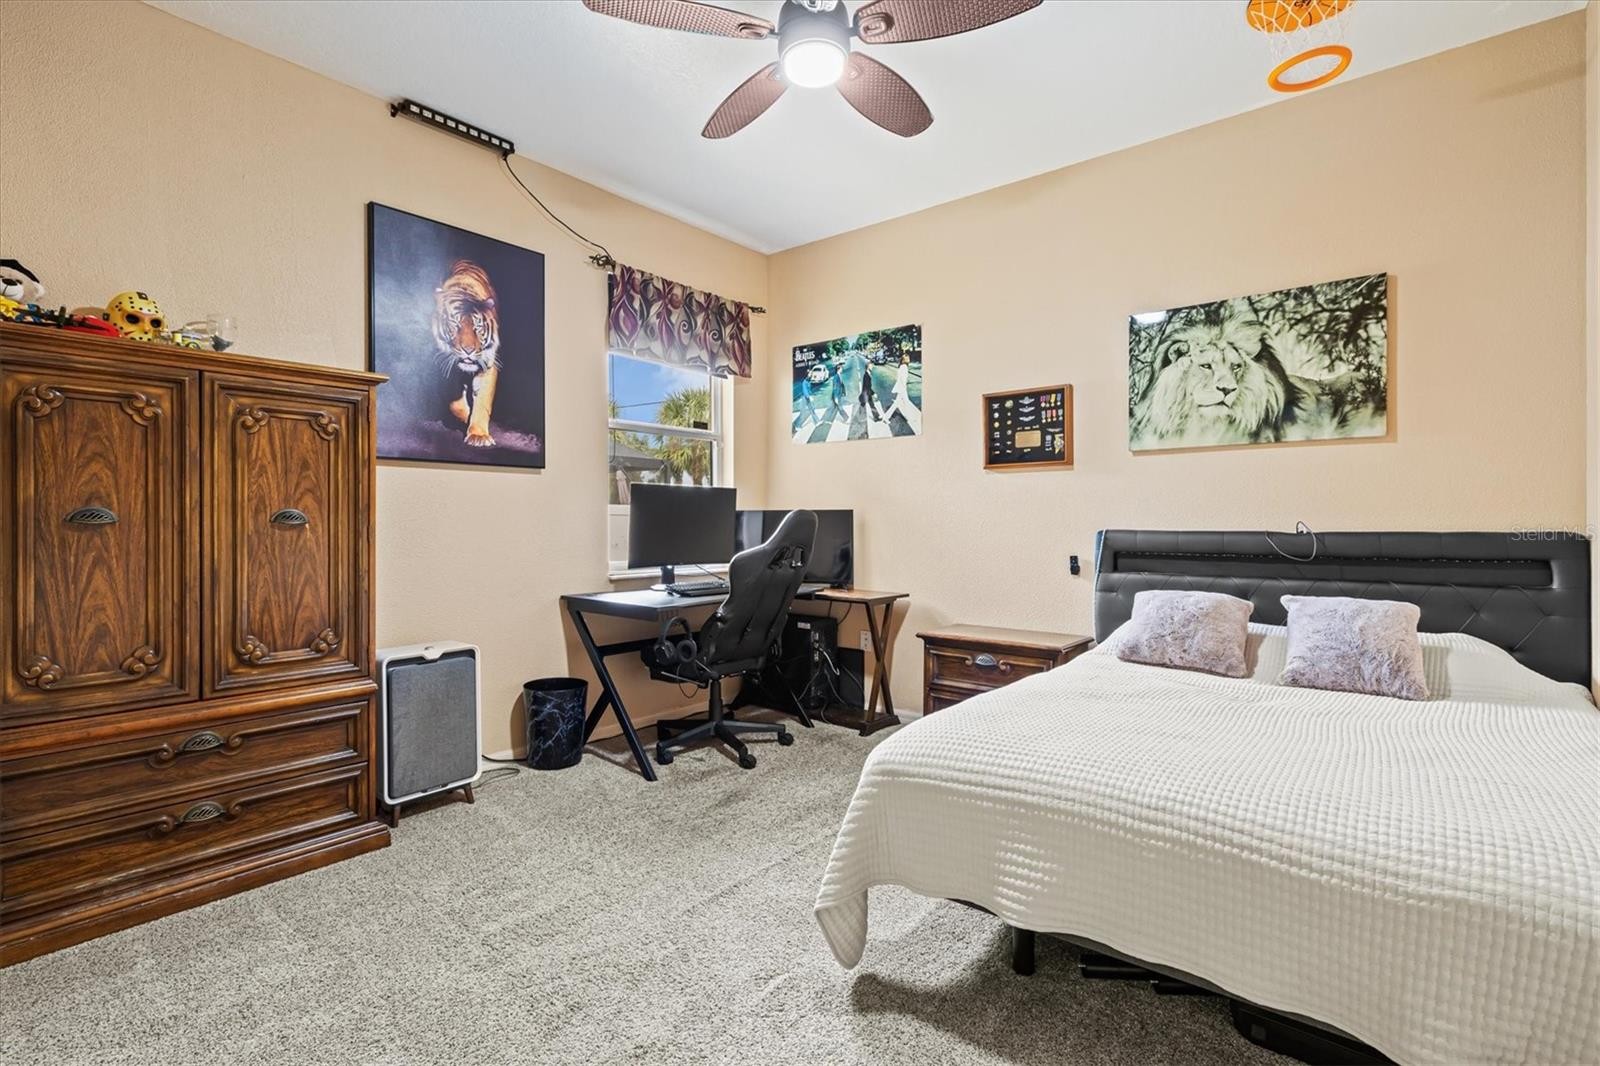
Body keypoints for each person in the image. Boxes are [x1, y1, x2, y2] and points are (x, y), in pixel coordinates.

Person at [881, 352, 920, 433]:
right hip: (902, 388)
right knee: (905, 403)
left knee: (898, 404)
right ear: (905, 360)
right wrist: (904, 388)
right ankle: (911, 418)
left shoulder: (901, 366)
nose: (909, 359)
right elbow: (903, 379)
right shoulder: (904, 367)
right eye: (908, 358)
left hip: (900, 388)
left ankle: (886, 417)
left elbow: (900, 378)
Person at [850, 347, 883, 422]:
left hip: (867, 393)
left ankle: (876, 417)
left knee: (870, 405)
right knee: (863, 406)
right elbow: (867, 387)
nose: (872, 367)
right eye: (871, 366)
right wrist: (873, 393)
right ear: (868, 367)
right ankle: (857, 418)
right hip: (866, 394)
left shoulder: (868, 374)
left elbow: (867, 387)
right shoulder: (866, 376)